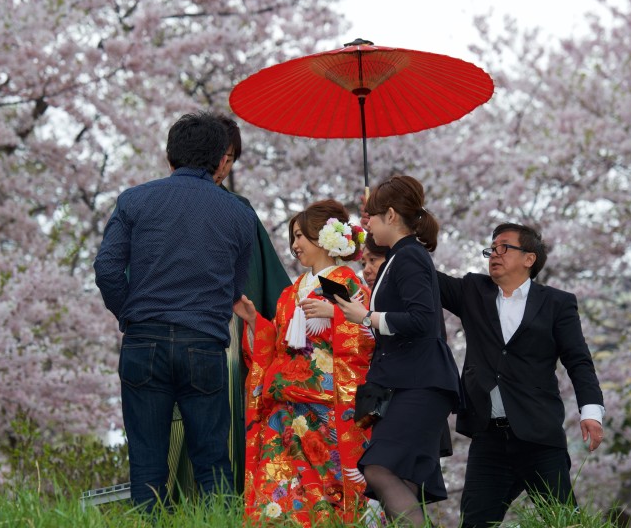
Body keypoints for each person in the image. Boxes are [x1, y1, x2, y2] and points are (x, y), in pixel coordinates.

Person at [94, 111, 257, 513]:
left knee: (147, 463)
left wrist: (130, 315)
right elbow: (236, 287)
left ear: (170, 157)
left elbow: (107, 269)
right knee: (213, 462)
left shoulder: (134, 200)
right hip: (203, 343)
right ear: (221, 160)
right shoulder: (239, 214)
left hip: (143, 339)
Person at [436, 223, 605, 527]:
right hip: (488, 437)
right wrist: (394, 238)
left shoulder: (557, 303)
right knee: (474, 523)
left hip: (539, 435)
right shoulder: (472, 290)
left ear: (529, 258)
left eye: (504, 247)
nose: (494, 254)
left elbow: (578, 361)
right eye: (491, 248)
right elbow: (425, 277)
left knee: (563, 521)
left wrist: (590, 411)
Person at [166, 115, 291, 498]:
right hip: (212, 333)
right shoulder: (236, 210)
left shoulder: (157, 202)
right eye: (224, 156)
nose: (226, 166)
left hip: (193, 334)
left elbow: (270, 287)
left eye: (232, 157)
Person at [233, 199, 375, 526]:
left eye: (301, 236)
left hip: (327, 406)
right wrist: (256, 322)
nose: (295, 245)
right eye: (293, 237)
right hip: (285, 404)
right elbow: (278, 343)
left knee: (329, 491)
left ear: (323, 238)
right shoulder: (291, 292)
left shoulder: (348, 283)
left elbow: (366, 337)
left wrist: (336, 313)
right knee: (277, 485)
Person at [336, 175, 462, 527]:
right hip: (415, 381)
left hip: (419, 383)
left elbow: (422, 319)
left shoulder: (408, 257)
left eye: (372, 219)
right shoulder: (401, 256)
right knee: (402, 479)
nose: (368, 226)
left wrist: (368, 316)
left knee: (378, 468)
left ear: (391, 216)